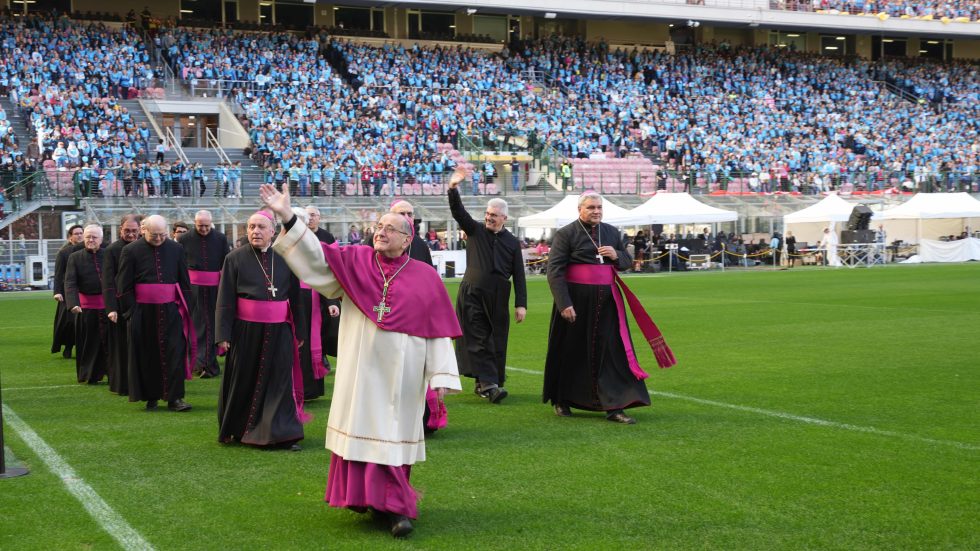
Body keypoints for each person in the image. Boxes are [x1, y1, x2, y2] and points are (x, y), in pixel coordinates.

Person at [260, 183, 461, 538]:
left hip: (404, 377)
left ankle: (397, 508)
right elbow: (316, 257)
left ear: (406, 239)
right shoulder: (355, 260)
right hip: (361, 371)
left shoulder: (426, 276)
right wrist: (288, 216)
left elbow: (438, 329)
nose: (381, 233)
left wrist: (441, 375)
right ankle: (364, 498)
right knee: (364, 429)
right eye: (378, 228)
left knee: (393, 435)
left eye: (390, 230)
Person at [544, 192, 676, 424]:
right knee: (570, 351)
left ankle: (616, 406)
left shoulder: (612, 232)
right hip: (575, 301)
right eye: (591, 207)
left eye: (599, 207)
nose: (596, 211)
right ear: (580, 210)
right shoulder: (566, 234)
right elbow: (554, 271)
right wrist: (564, 303)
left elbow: (625, 262)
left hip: (607, 303)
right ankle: (562, 399)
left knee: (612, 352)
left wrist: (617, 255)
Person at [216, 210, 307, 451]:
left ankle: (282, 434)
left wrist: (300, 332)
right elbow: (224, 299)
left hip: (280, 331)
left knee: (279, 382)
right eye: (251, 227)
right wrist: (223, 335)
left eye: (260, 227)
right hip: (245, 331)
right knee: (244, 380)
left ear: (273, 232)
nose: (255, 231)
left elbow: (296, 299)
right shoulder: (234, 258)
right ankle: (239, 429)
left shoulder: (286, 258)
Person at [447, 167, 527, 403]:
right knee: (478, 337)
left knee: (495, 340)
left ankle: (486, 382)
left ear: (505, 218)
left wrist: (521, 304)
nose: (489, 217)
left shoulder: (512, 242)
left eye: (495, 215)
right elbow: (457, 211)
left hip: (499, 297)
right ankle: (489, 386)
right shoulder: (474, 230)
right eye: (488, 213)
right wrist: (453, 187)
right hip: (472, 292)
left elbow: (519, 275)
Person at [116, 215, 196, 412]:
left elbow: (184, 281)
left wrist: (186, 307)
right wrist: (132, 312)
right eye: (154, 235)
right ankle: (150, 397)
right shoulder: (130, 250)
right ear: (144, 230)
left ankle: (175, 398)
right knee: (147, 354)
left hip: (171, 310)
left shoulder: (176, 249)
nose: (159, 238)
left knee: (174, 354)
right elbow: (123, 286)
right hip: (143, 312)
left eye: (162, 234)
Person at [178, 210, 230, 378]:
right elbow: (180, 264)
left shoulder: (221, 238)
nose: (204, 229)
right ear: (195, 223)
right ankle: (198, 363)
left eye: (207, 226)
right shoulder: (184, 239)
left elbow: (226, 261)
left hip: (215, 288)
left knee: (213, 325)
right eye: (200, 226)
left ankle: (208, 364)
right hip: (193, 289)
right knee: (197, 325)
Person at [298, 205, 340, 400]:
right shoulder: (290, 240)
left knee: (320, 335)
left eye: (313, 216)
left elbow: (331, 269)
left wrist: (331, 299)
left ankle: (318, 366)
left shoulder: (326, 238)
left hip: (320, 294)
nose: (310, 220)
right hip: (296, 296)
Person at [103, 214, 142, 396]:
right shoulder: (112, 250)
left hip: (141, 304)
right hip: (120, 306)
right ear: (120, 230)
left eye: (134, 231)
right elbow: (108, 282)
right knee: (121, 347)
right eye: (127, 230)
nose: (131, 234)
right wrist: (111, 308)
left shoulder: (145, 247)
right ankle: (123, 384)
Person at [65, 225, 108, 385]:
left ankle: (111, 373)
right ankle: (88, 374)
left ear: (101, 240)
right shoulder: (74, 257)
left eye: (94, 237)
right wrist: (72, 303)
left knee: (109, 343)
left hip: (108, 307)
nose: (90, 240)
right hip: (85, 308)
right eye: (88, 237)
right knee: (88, 344)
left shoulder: (109, 254)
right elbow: (70, 282)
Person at [52, 225, 84, 358]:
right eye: (76, 233)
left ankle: (82, 348)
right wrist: (57, 291)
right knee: (69, 322)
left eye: (81, 233)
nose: (79, 235)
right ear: (70, 236)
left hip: (84, 290)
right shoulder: (64, 253)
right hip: (68, 291)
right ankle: (68, 347)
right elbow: (58, 274)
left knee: (83, 321)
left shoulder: (89, 250)